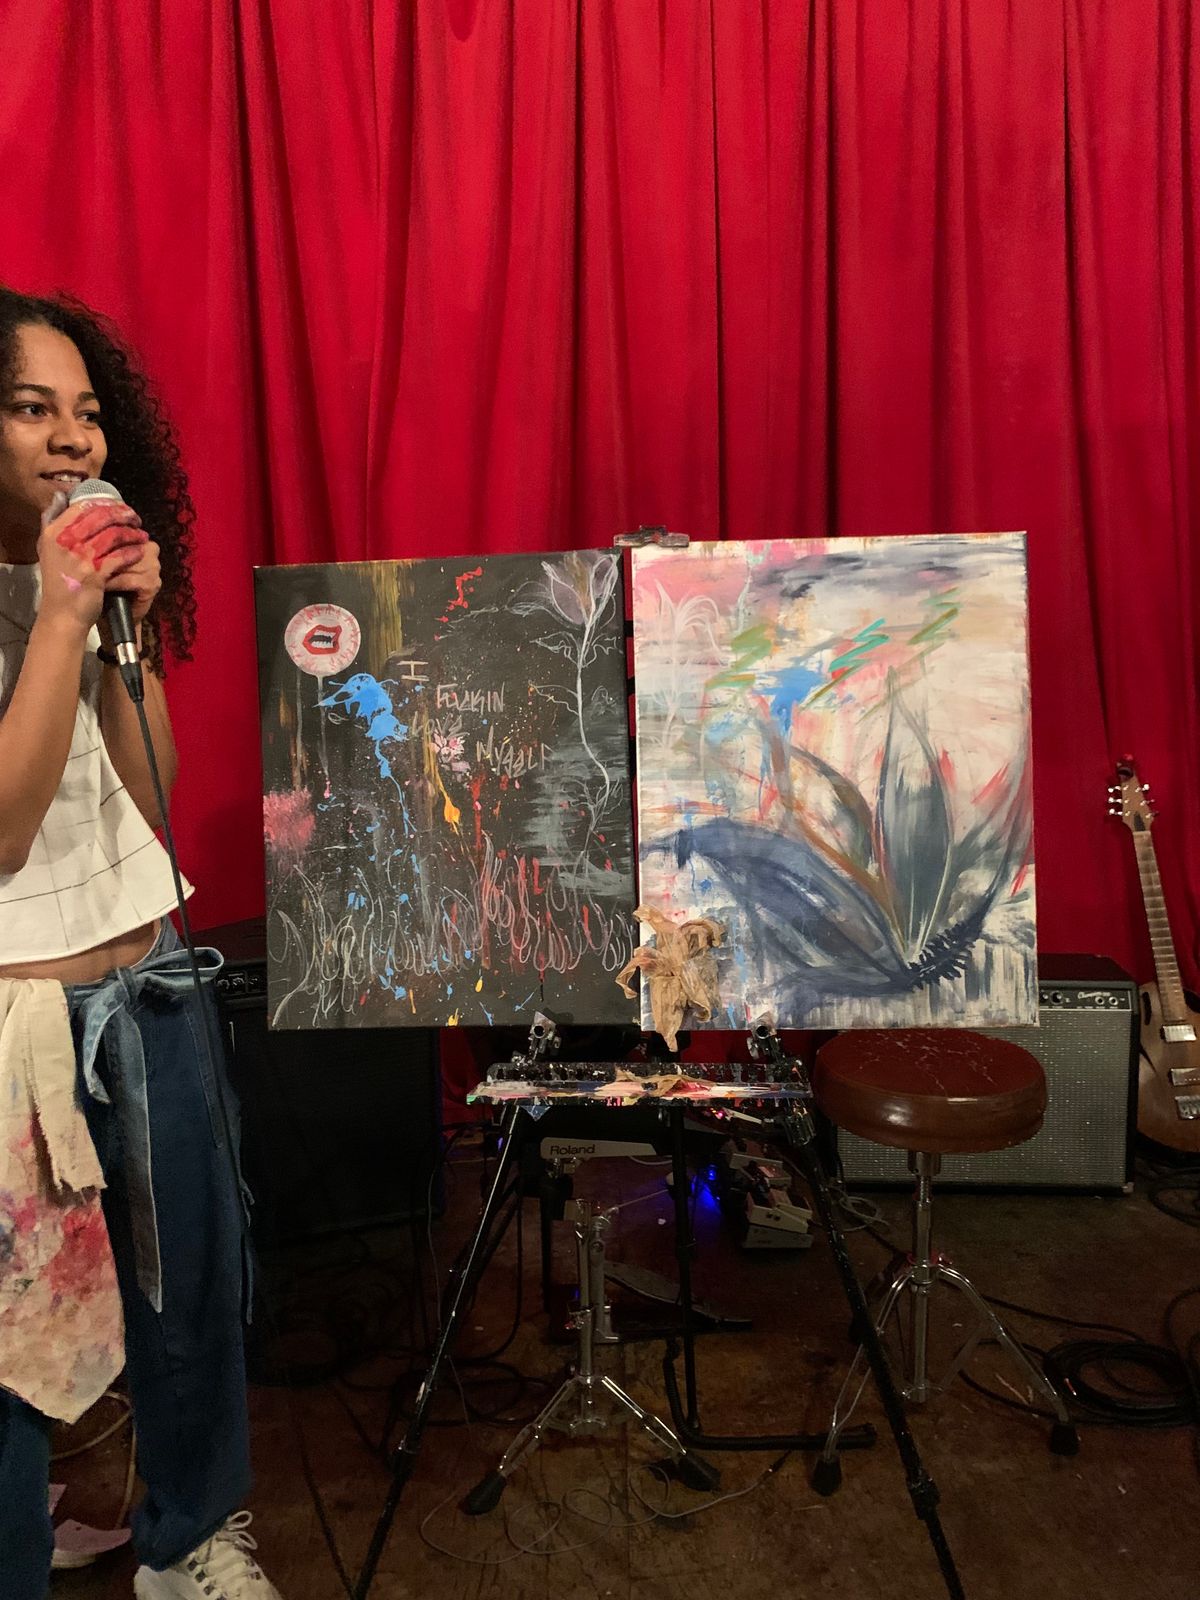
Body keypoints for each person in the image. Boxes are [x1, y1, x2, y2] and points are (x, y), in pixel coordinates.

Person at [0, 287, 281, 1599]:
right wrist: (59, 617)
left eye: (88, 413)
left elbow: (144, 778)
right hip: (23, 1021)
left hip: (149, 976)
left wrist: (124, 639)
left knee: (192, 1291)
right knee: (18, 1332)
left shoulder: (91, 584)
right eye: (31, 408)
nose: (73, 439)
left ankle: (189, 1537)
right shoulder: (51, 596)